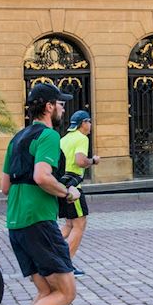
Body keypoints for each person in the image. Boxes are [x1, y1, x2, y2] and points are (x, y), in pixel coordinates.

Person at [0, 83, 80, 305]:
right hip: (39, 221)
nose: (63, 108)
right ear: (49, 107)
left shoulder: (17, 138)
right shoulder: (49, 135)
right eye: (60, 104)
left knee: (46, 291)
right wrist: (67, 192)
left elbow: (4, 187)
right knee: (66, 292)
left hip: (16, 223)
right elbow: (42, 176)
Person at [58, 110, 99, 276]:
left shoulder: (64, 139)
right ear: (83, 123)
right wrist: (93, 161)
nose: (90, 125)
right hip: (73, 186)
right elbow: (80, 161)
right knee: (80, 224)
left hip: (61, 183)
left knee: (69, 224)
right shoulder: (82, 138)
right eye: (89, 122)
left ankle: (49, 254)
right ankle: (66, 265)